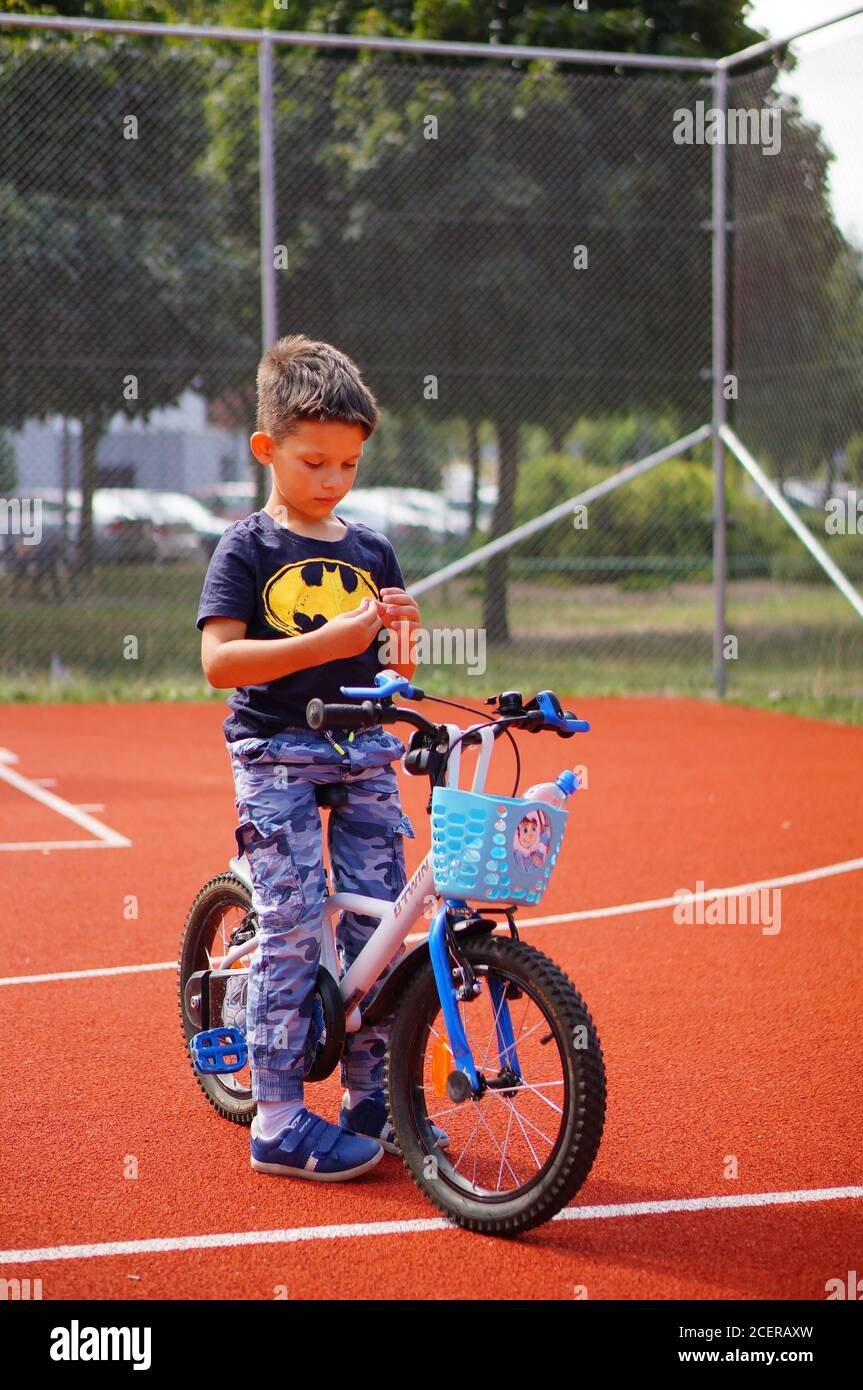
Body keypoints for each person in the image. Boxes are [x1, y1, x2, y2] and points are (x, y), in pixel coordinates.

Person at [196, 334, 447, 1181]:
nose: (333, 481)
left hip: (363, 750)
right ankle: (275, 1118)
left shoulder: (370, 549)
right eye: (314, 463)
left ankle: (374, 1102)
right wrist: (328, 640)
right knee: (297, 926)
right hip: (274, 754)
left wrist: (403, 643)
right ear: (266, 450)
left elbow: (393, 676)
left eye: (347, 465)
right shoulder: (248, 548)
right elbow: (220, 663)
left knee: (384, 922)